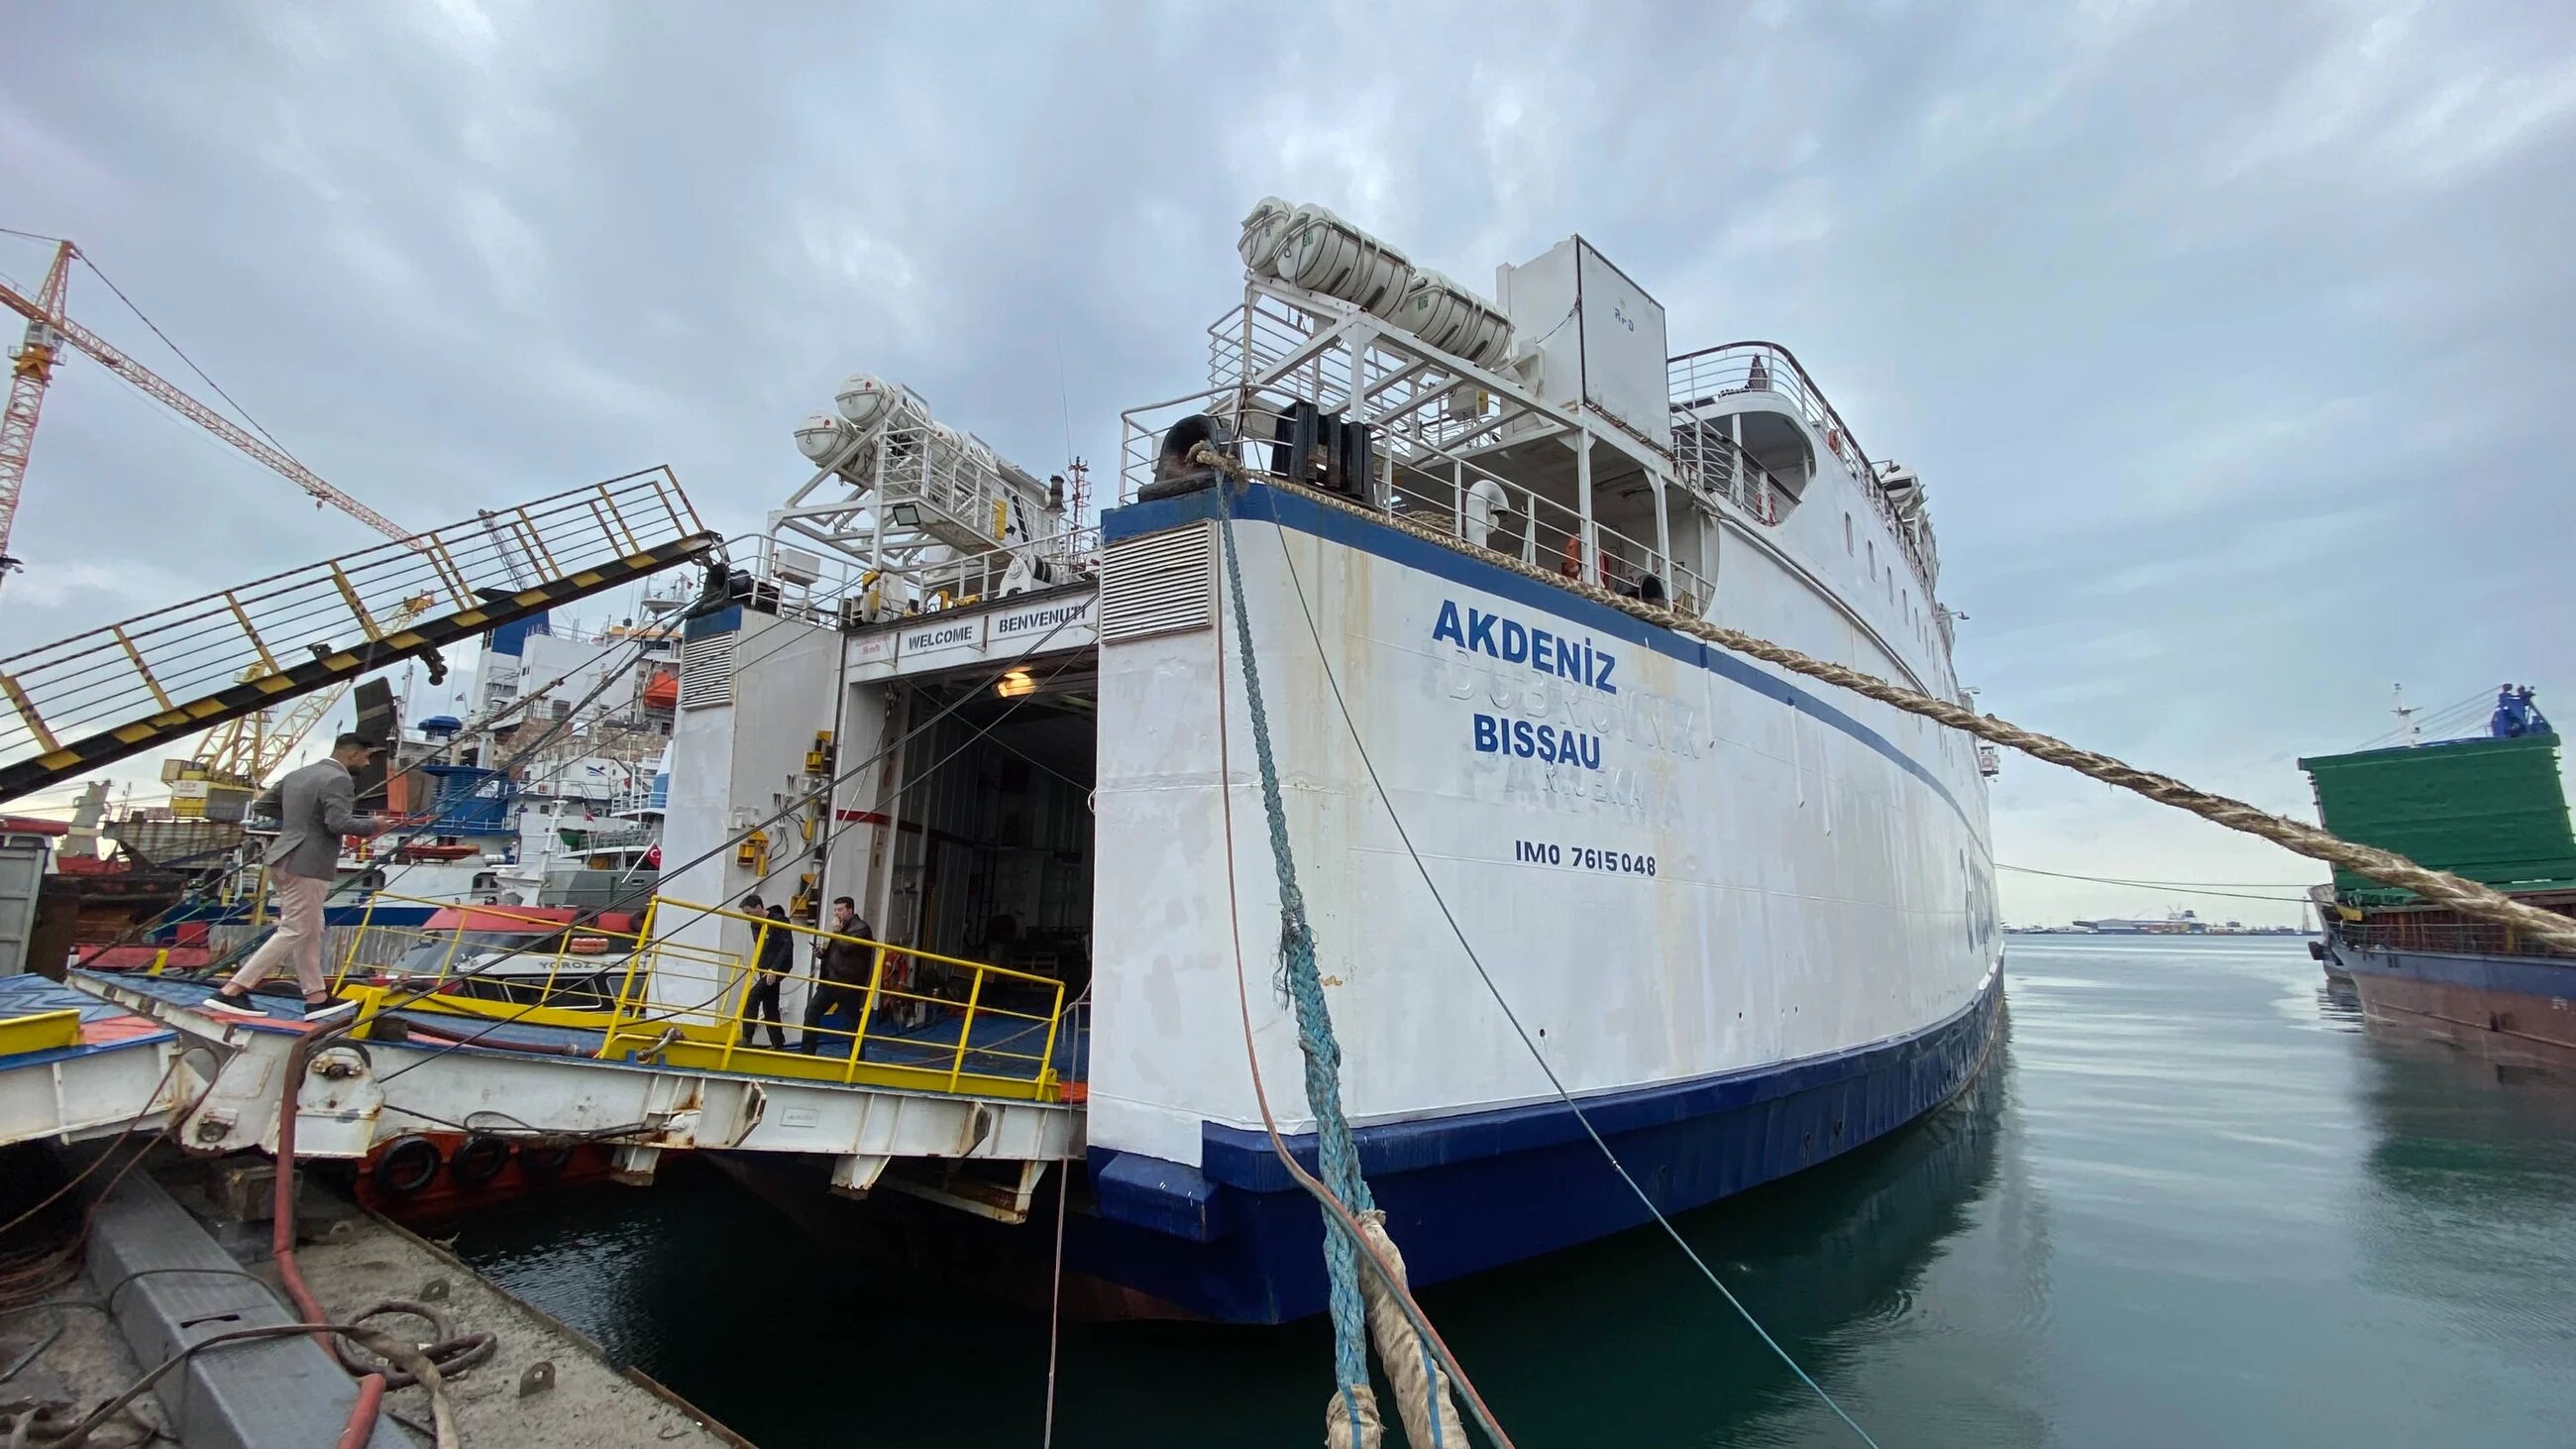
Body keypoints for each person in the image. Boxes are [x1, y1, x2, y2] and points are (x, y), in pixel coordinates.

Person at [204, 733, 391, 1021]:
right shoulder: (339, 779)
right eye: (366, 757)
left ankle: (316, 998)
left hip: (284, 856)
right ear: (352, 754)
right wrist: (374, 825)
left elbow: (263, 807)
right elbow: (339, 823)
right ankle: (232, 990)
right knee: (295, 929)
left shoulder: (298, 774)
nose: (366, 764)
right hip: (308, 862)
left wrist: (299, 820)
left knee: (311, 928)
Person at [803, 895, 877, 1053]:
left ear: (850, 910)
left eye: (840, 909)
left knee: (851, 1023)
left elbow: (847, 948)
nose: (837, 913)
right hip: (830, 981)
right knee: (811, 1012)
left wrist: (836, 932)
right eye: (835, 909)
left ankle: (857, 1057)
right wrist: (822, 953)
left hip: (848, 984)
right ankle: (807, 1052)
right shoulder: (842, 928)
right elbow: (836, 950)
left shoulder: (861, 928)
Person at [737, 896, 791, 1050]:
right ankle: (778, 1043)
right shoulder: (755, 924)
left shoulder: (779, 921)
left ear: (759, 907)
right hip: (764, 967)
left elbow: (786, 947)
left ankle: (747, 1037)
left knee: (752, 997)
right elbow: (760, 946)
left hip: (776, 967)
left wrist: (774, 969)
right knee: (770, 1005)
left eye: (749, 912)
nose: (748, 916)